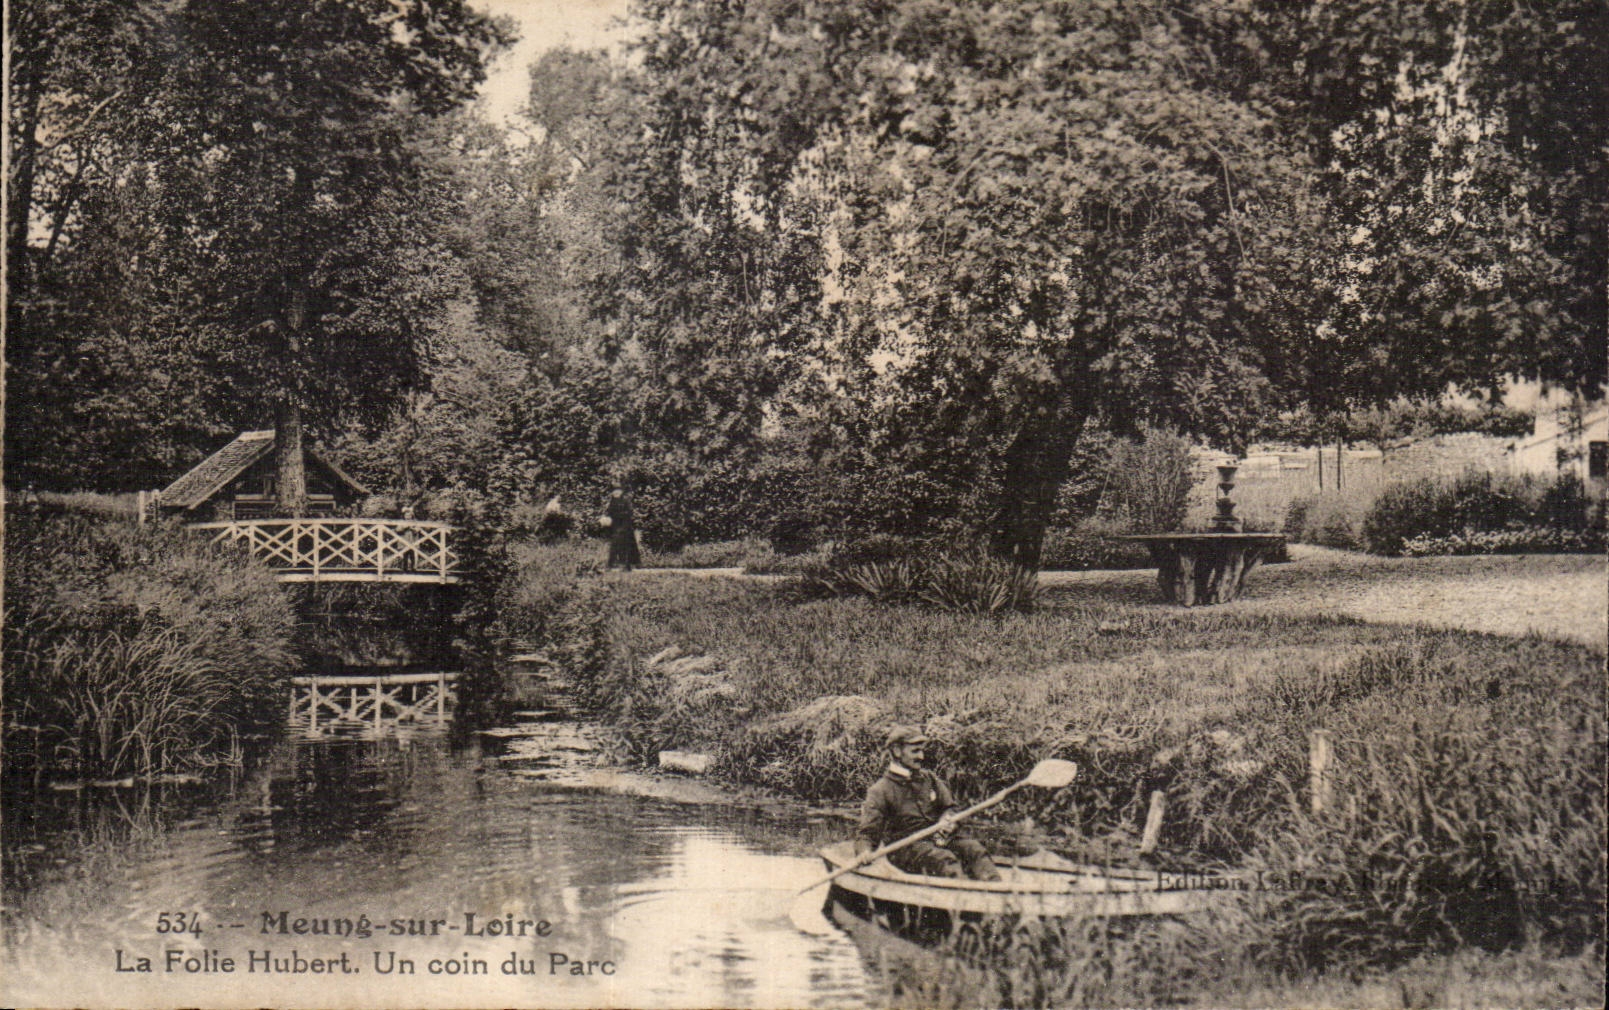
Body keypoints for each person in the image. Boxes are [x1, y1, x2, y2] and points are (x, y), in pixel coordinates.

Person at [855, 725, 1001, 881]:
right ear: (897, 751)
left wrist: (948, 820)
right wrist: (864, 852)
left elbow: (950, 808)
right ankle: (961, 900)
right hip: (906, 851)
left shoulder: (929, 778)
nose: (921, 756)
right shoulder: (880, 790)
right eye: (915, 751)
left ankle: (997, 895)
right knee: (944, 860)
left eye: (921, 750)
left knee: (974, 850)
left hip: (939, 840)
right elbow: (868, 834)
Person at [603, 486, 641, 571]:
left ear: (621, 491)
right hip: (615, 527)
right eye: (614, 491)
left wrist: (618, 516)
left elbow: (629, 512)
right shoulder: (612, 501)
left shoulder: (625, 500)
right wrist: (606, 519)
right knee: (615, 545)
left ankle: (625, 565)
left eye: (618, 491)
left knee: (625, 546)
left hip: (625, 526)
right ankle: (611, 565)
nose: (616, 492)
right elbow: (609, 512)